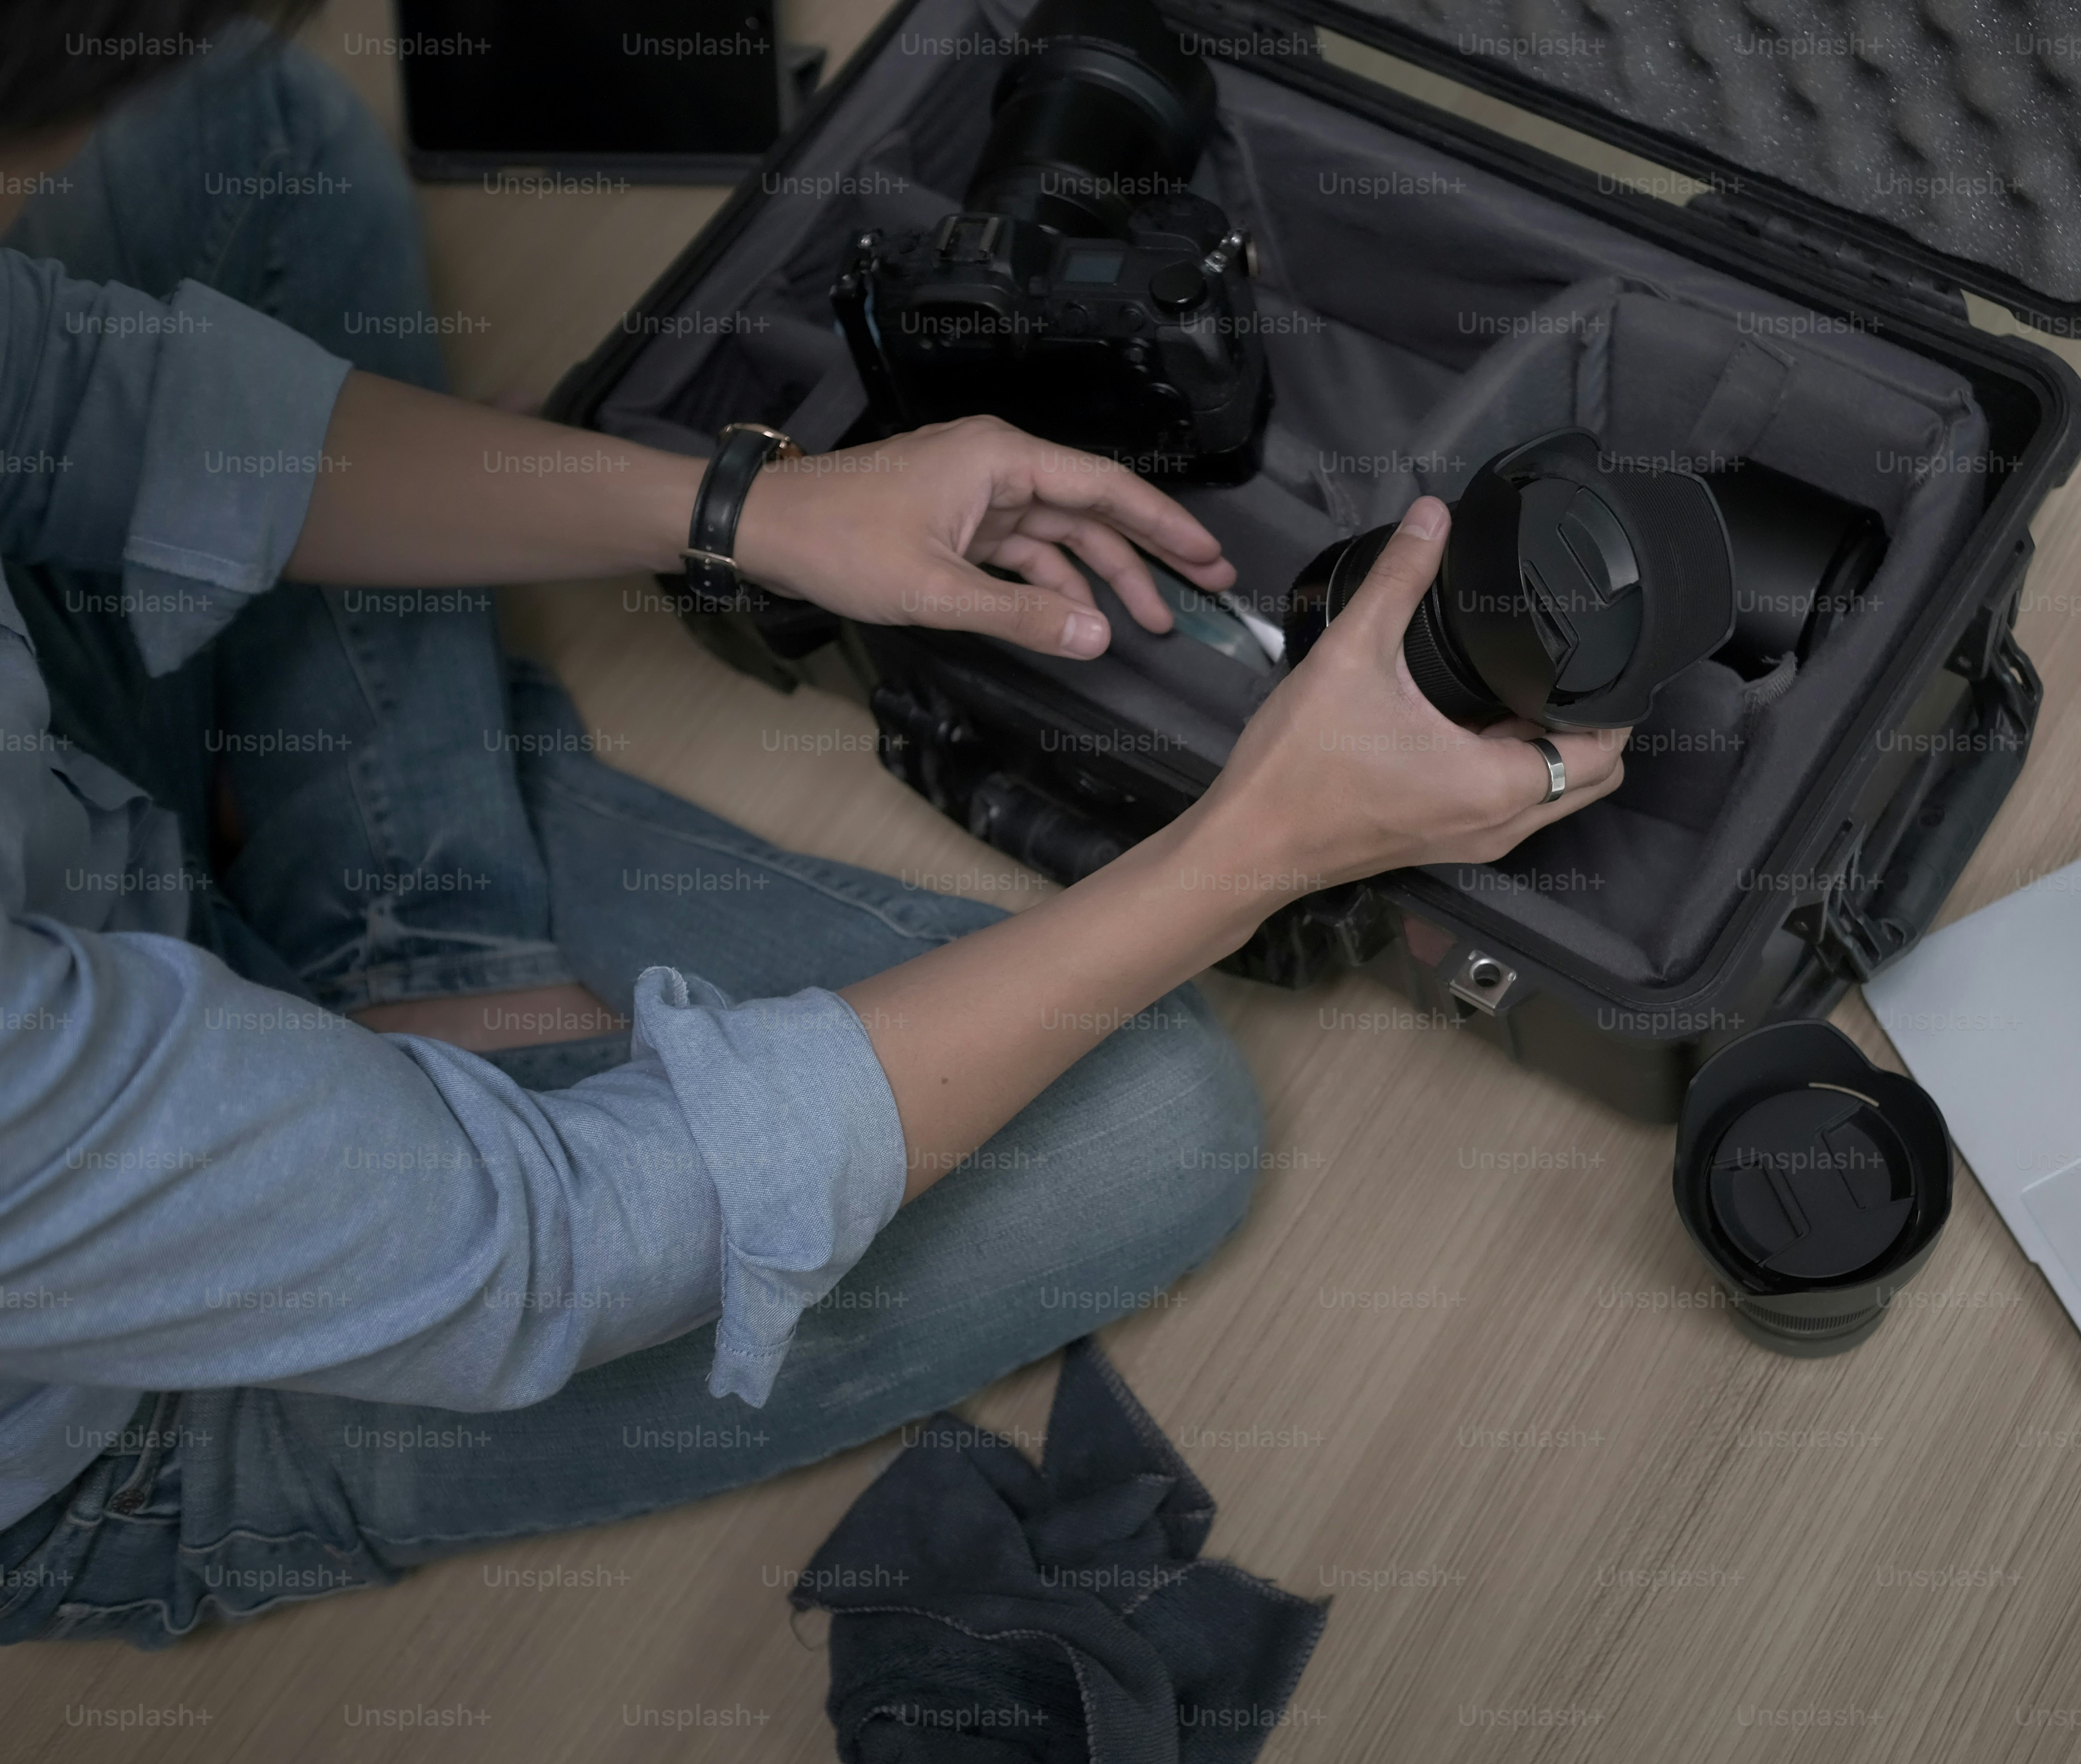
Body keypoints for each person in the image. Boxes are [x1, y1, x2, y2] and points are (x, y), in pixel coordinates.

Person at [0, 8, 1623, 1644]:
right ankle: (406, 954)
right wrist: (1261, 850)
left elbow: (73, 398)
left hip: (70, 839)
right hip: (140, 1396)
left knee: (249, 120)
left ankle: (399, 951)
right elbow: (554, 1242)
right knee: (1147, 1117)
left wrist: (749, 509)